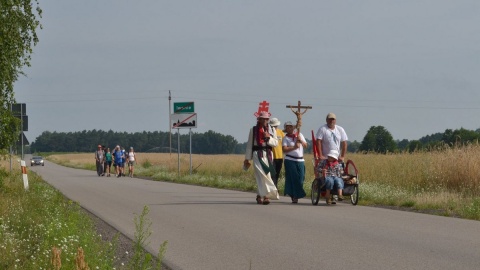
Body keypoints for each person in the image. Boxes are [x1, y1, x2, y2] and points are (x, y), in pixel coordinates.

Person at [244, 111, 279, 205]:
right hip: (257, 154)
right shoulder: (253, 129)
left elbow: (275, 143)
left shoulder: (272, 129)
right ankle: (266, 196)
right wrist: (247, 158)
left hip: (268, 154)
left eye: (266, 119)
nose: (264, 120)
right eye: (262, 118)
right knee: (261, 175)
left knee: (267, 175)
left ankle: (261, 195)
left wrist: (268, 138)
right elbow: (249, 144)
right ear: (259, 119)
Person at [282, 121, 307, 203]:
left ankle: (296, 193)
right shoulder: (286, 138)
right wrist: (294, 147)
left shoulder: (299, 135)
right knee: (293, 178)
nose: (290, 128)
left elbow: (305, 146)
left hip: (300, 160)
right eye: (287, 127)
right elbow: (284, 149)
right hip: (290, 160)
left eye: (291, 126)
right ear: (286, 129)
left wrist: (300, 140)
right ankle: (294, 195)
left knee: (301, 177)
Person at [269, 117, 284, 188]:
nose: (274, 127)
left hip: (280, 156)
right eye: (273, 126)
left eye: (275, 126)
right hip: (271, 157)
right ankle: (273, 188)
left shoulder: (281, 132)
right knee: (273, 174)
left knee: (277, 173)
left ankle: (275, 186)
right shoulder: (269, 132)